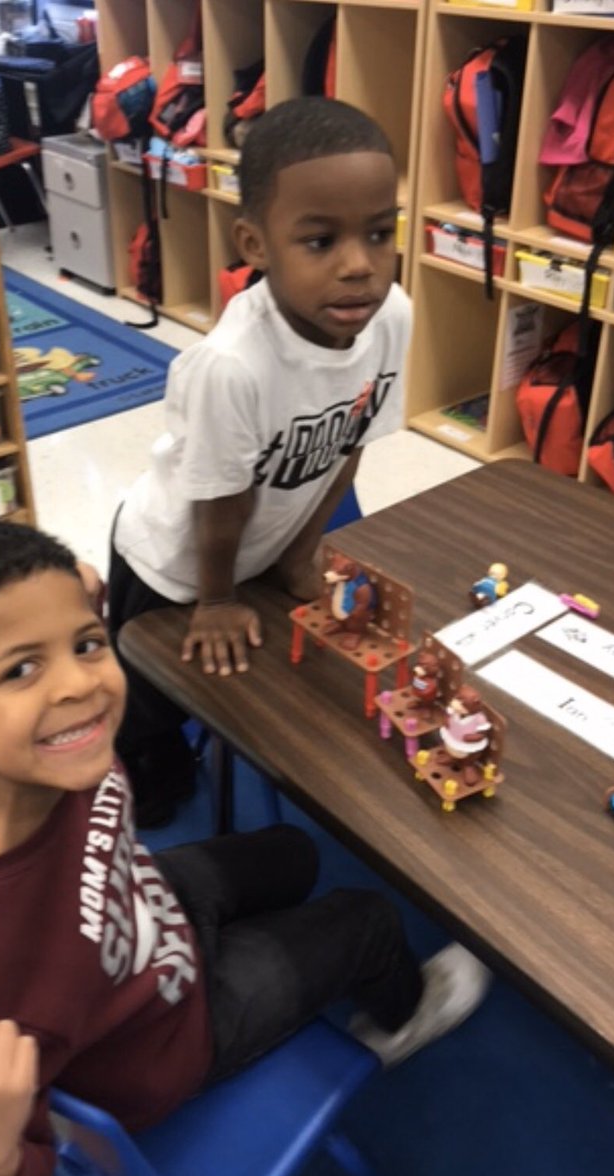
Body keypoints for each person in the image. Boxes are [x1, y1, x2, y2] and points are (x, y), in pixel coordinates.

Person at [0, 520, 491, 1176]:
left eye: (85, 644)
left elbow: (41, 637)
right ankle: (401, 1021)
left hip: (140, 917)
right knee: (369, 919)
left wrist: (57, 607)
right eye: (21, 668)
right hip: (163, 1044)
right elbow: (13, 1163)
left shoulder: (26, 753)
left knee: (293, 853)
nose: (78, 685)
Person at [108, 96, 413, 826]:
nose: (358, 267)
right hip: (174, 563)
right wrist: (215, 598)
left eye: (379, 234)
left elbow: (351, 440)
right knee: (146, 708)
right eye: (319, 242)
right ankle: (141, 781)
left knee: (255, 691)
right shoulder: (232, 367)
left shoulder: (391, 315)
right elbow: (219, 502)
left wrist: (298, 551)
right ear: (255, 243)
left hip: (259, 544)